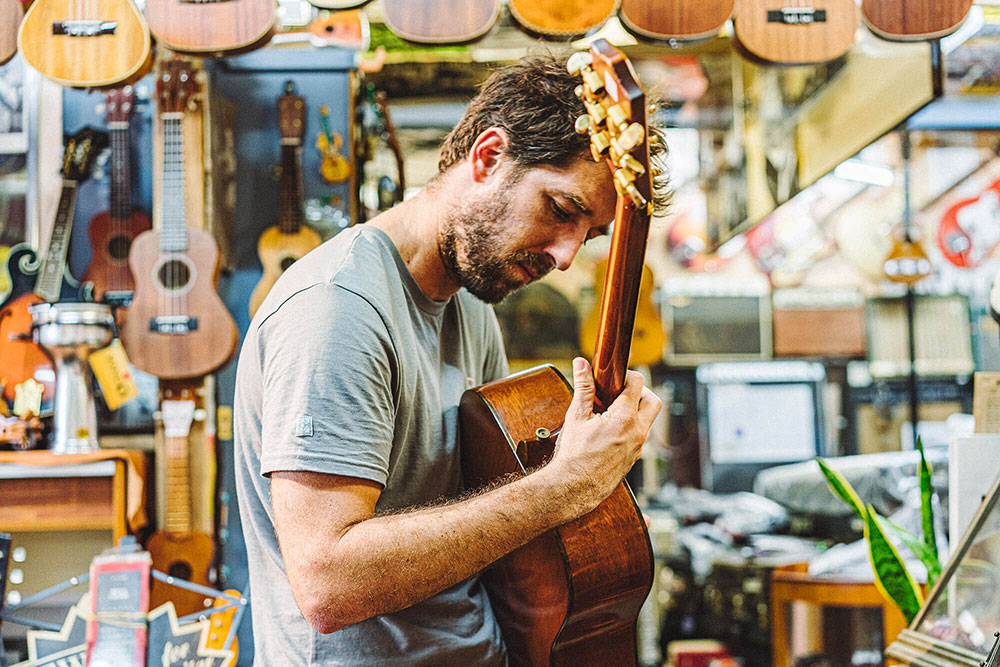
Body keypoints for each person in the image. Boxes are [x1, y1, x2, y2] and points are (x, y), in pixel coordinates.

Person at [234, 52, 670, 666]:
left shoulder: (471, 308)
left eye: (588, 235)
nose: (567, 257)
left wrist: (574, 459)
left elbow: (488, 523)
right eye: (562, 210)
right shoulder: (337, 308)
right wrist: (566, 482)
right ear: (488, 158)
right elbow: (328, 584)